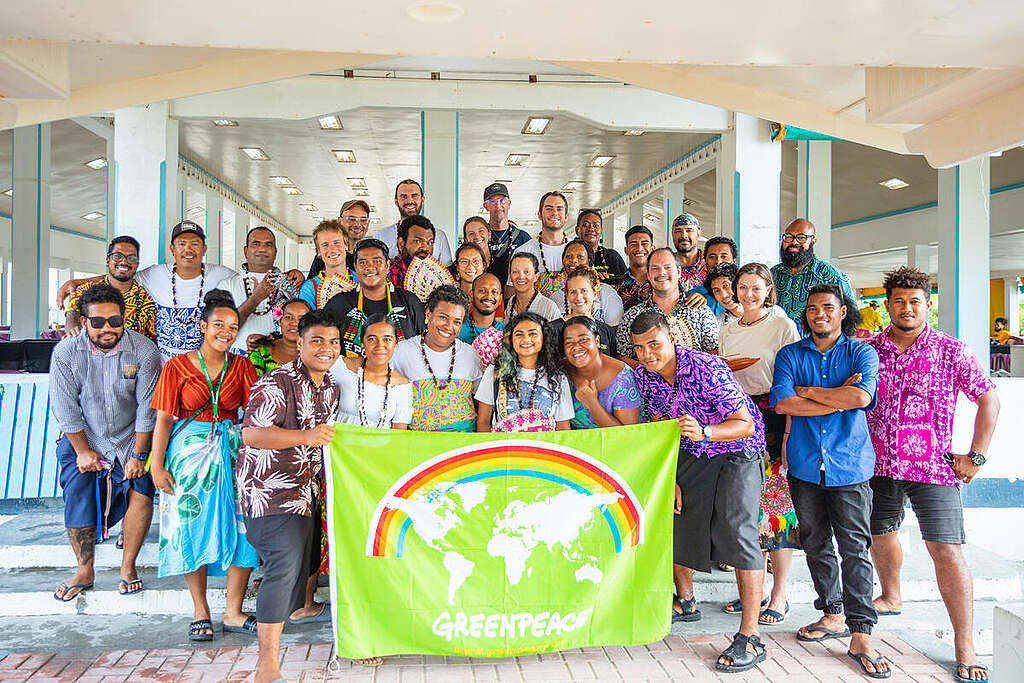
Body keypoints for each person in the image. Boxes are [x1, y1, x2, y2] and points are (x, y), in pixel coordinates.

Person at [866, 266, 998, 683]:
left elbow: (989, 402)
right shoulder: (868, 349)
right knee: (879, 533)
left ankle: (964, 643)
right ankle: (891, 595)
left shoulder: (950, 350)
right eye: (898, 301)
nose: (906, 308)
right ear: (887, 305)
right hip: (878, 466)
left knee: (947, 551)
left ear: (927, 305)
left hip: (933, 469)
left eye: (915, 301)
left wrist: (975, 457)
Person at [239, 310, 380, 678]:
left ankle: (274, 649)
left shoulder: (331, 386)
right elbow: (252, 434)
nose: (326, 349)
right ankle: (267, 667)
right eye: (316, 341)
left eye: (333, 342)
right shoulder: (277, 382)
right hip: (270, 494)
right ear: (298, 343)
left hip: (307, 494)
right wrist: (305, 437)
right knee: (284, 568)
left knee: (298, 574)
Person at [630, 311, 768, 673]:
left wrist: (706, 431)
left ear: (671, 339)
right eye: (640, 348)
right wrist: (671, 476)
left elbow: (744, 423)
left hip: (737, 448)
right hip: (693, 452)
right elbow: (661, 429)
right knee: (677, 518)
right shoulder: (645, 377)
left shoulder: (706, 367)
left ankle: (750, 635)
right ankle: (686, 602)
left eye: (654, 345)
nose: (648, 354)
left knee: (738, 530)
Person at [770, 284, 890, 678]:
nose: (818, 314)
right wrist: (837, 392)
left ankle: (861, 632)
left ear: (842, 313)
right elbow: (783, 403)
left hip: (850, 465)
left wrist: (811, 392)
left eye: (827, 308)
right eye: (812, 308)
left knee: (854, 547)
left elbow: (861, 399)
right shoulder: (791, 354)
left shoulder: (861, 352)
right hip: (806, 465)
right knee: (817, 543)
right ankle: (832, 613)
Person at [149, 289, 260, 641]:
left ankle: (233, 610)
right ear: (203, 325)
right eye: (218, 325)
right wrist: (156, 464)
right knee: (189, 523)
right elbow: (164, 419)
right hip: (187, 455)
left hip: (231, 451)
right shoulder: (176, 366)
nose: (226, 331)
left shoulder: (241, 365)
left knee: (244, 525)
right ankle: (200, 610)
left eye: (232, 326)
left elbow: (255, 413)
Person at [49, 283, 162, 601]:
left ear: (124, 318)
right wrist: (84, 451)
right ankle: (84, 570)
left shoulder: (144, 350)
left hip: (131, 437)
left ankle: (128, 567)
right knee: (77, 487)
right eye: (97, 322)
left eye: (114, 320)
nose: (107, 328)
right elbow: (66, 410)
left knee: (141, 487)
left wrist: (139, 455)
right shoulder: (66, 354)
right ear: (84, 321)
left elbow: (147, 409)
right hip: (86, 436)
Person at [719, 263, 802, 625]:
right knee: (746, 506)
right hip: (738, 416)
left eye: (756, 288)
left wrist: (786, 433)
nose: (748, 294)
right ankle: (752, 589)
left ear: (769, 290)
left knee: (777, 507)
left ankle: (779, 593)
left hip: (773, 415)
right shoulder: (728, 330)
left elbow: (793, 378)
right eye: (743, 287)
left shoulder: (782, 325)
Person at [57, 221, 237, 362]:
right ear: (172, 249)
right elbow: (119, 275)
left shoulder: (221, 275)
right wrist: (75, 283)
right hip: (99, 368)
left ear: (204, 249)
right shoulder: (155, 275)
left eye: (195, 244)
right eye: (181, 243)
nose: (188, 249)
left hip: (190, 369)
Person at [391, 285, 483, 432]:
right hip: (419, 446)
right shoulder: (402, 351)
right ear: (428, 314)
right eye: (443, 317)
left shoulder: (470, 354)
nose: (448, 326)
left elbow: (483, 402)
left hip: (463, 445)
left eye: (457, 322)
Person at [323, 238, 425, 358]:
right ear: (355, 267)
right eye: (363, 262)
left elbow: (423, 344)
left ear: (387, 266)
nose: (370, 267)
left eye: (377, 261)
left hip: (402, 374)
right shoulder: (338, 304)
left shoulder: (409, 301)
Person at [617, 248, 719, 365]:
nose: (662, 273)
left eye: (668, 267)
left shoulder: (700, 311)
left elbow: (714, 351)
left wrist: (687, 372)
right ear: (648, 275)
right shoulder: (632, 315)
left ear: (679, 272)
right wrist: (653, 374)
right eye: (655, 268)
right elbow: (622, 356)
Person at [475, 312, 574, 432]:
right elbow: (483, 422)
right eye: (519, 334)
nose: (526, 339)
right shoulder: (496, 370)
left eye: (533, 333)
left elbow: (563, 428)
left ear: (544, 337)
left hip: (544, 449)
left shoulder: (558, 377)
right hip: (504, 449)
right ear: (511, 339)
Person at [221, 227, 299, 354]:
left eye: (268, 245)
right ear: (246, 251)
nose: (262, 249)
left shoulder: (291, 285)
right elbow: (224, 330)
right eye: (256, 244)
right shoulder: (228, 285)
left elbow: (303, 327)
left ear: (275, 252)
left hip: (281, 362)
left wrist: (271, 341)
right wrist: (255, 299)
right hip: (239, 362)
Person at [64, 236, 157, 341]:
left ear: (137, 264)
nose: (124, 262)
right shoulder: (85, 290)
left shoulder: (147, 299)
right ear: (108, 260)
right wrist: (73, 329)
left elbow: (151, 339)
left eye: (131, 258)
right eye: (117, 256)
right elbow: (72, 314)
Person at [332, 314, 413, 429]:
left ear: (395, 343)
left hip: (380, 446)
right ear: (362, 343)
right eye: (372, 339)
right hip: (338, 445)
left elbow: (399, 434)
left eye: (387, 339)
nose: (380, 345)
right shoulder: (341, 367)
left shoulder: (402, 385)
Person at [770, 219, 855, 326]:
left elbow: (850, 321)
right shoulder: (772, 274)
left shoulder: (832, 277)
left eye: (801, 237)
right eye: (788, 237)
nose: (794, 242)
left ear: (813, 241)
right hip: (775, 342)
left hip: (814, 342)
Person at [561, 316, 641, 429]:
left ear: (597, 341)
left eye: (583, 339)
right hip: (576, 444)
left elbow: (626, 436)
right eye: (569, 342)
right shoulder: (562, 370)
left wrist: (592, 403)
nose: (576, 347)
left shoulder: (623, 378)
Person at [542, 240, 625, 326]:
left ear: (589, 261)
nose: (573, 260)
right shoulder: (555, 297)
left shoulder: (607, 293)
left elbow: (612, 333)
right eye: (568, 256)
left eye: (580, 257)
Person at [374, 179, 453, 266]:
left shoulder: (439, 236)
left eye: (414, 196)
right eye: (404, 196)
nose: (409, 201)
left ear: (422, 200)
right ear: (396, 202)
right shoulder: (381, 236)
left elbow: (447, 271)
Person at [547, 268, 618, 357]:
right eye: (573, 292)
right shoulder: (552, 330)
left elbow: (612, 364)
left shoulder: (607, 331)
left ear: (594, 294)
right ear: (567, 296)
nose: (578, 297)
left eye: (584, 291)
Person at [299, 220, 357, 309]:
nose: (332, 249)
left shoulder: (361, 281)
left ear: (346, 245)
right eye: (325, 245)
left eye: (337, 243)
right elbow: (307, 322)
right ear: (318, 252)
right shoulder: (309, 288)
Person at [511, 191, 571, 275]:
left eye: (559, 209)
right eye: (549, 209)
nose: (554, 213)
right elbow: (512, 287)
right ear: (539, 215)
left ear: (566, 216)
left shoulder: (579, 250)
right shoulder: (524, 251)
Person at [249, 299, 313, 377]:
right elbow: (252, 385)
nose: (294, 323)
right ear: (280, 321)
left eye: (301, 319)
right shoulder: (261, 351)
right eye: (288, 317)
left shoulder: (317, 354)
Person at [482, 182, 531, 284]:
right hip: (487, 293)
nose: (498, 205)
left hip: (516, 293)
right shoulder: (480, 237)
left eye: (502, 201)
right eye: (493, 201)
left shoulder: (523, 238)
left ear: (509, 204)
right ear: (486, 206)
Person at [685, 236, 738, 314]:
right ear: (705, 261)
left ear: (734, 261)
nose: (718, 261)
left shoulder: (747, 292)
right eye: (712, 257)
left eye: (724, 256)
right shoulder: (693, 296)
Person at [505, 252, 561, 322]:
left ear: (536, 276)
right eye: (515, 272)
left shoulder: (549, 307)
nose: (521, 277)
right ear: (510, 276)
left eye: (526, 272)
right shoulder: (507, 305)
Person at [388, 214, 438, 290]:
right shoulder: (387, 273)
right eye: (417, 241)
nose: (425, 248)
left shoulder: (436, 275)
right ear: (401, 243)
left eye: (429, 243)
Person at [574, 209, 627, 280]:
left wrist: (608, 279)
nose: (591, 229)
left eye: (596, 225)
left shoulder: (612, 256)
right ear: (577, 230)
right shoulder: (570, 256)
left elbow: (626, 281)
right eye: (585, 225)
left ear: (601, 231)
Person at [459, 273, 505, 344]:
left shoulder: (506, 332)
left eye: (494, 292)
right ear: (471, 295)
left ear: (500, 299)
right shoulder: (457, 328)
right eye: (482, 291)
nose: (489, 296)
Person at [670, 213, 707, 292]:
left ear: (699, 234)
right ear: (672, 235)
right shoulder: (666, 263)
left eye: (689, 230)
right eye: (678, 231)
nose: (684, 236)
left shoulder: (710, 260)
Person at [617, 225, 654, 305]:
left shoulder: (662, 281)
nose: (639, 248)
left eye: (644, 243)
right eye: (633, 244)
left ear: (652, 249)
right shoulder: (617, 284)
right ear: (626, 250)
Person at [706, 263, 743, 328]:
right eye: (717, 290)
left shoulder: (764, 313)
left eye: (726, 286)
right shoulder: (717, 324)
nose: (724, 295)